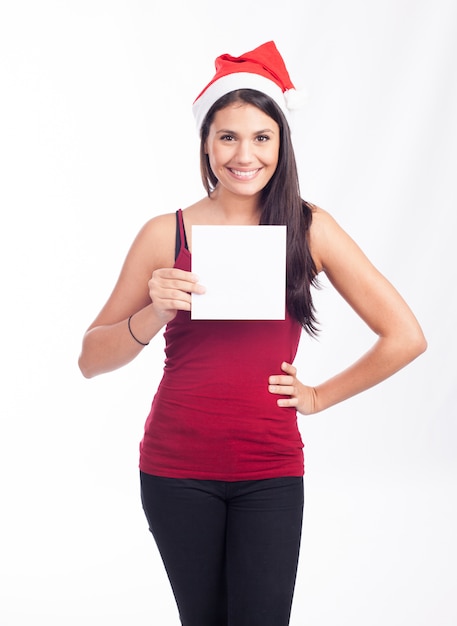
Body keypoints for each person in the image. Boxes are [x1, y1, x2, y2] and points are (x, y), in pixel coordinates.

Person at [78, 41, 427, 626]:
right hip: (175, 467)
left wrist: (317, 397)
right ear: (206, 144)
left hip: (271, 467)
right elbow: (90, 359)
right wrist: (154, 313)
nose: (245, 154)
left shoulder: (310, 227)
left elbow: (405, 336)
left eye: (262, 137)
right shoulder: (166, 234)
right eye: (228, 137)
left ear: (281, 143)